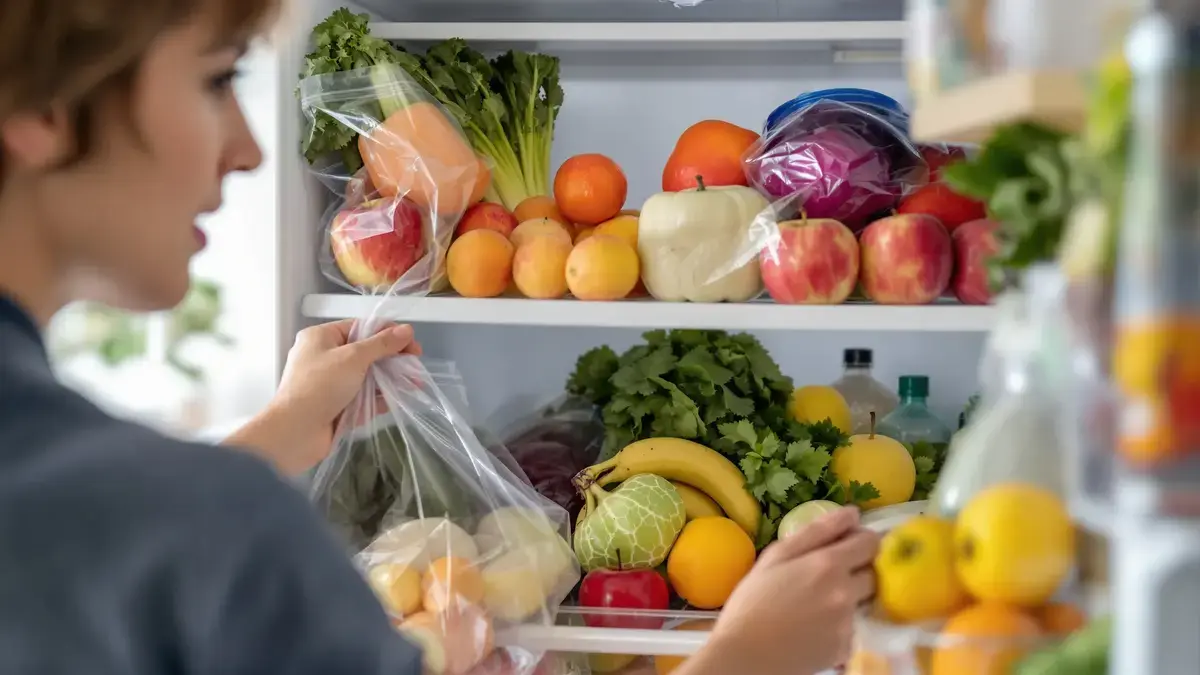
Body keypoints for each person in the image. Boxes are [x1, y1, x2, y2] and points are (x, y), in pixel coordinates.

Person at [0, 1, 880, 674]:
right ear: (44, 106)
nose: (249, 151)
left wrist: (278, 435)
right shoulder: (226, 532)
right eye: (216, 77)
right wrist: (747, 655)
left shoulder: (100, 508)